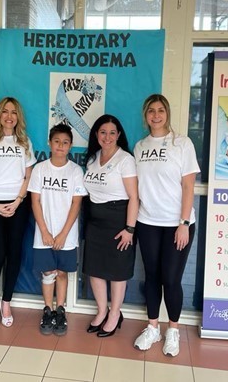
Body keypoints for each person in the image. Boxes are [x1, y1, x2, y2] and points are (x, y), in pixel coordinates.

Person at [133, 94, 200, 357]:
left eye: (161, 110)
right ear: (145, 115)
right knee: (151, 277)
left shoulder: (182, 143)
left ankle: (173, 330)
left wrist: (183, 223)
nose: (156, 115)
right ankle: (153, 327)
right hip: (148, 220)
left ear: (167, 113)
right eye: (151, 111)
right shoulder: (139, 147)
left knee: (171, 279)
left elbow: (188, 185)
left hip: (177, 224)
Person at [0, 97, 36, 328]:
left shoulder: (24, 142)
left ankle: (6, 302)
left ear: (18, 117)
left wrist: (19, 199)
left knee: (15, 255)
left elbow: (27, 175)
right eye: (5, 112)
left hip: (18, 204)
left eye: (13, 112)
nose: (9, 116)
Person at [28, 124, 87, 336]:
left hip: (66, 235)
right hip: (44, 233)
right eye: (57, 142)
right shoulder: (40, 169)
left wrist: (62, 235)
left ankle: (60, 310)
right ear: (49, 143)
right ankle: (47, 310)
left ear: (70, 146)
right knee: (48, 272)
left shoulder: (75, 171)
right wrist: (44, 231)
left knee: (62, 273)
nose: (60, 146)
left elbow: (76, 204)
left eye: (65, 143)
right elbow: (35, 201)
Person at [82, 114, 138, 338]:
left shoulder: (125, 159)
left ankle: (115, 313)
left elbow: (134, 197)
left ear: (119, 135)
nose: (107, 137)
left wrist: (130, 229)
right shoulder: (92, 158)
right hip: (95, 221)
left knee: (116, 272)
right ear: (96, 135)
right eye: (103, 132)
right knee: (94, 269)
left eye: (112, 133)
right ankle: (102, 310)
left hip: (118, 222)